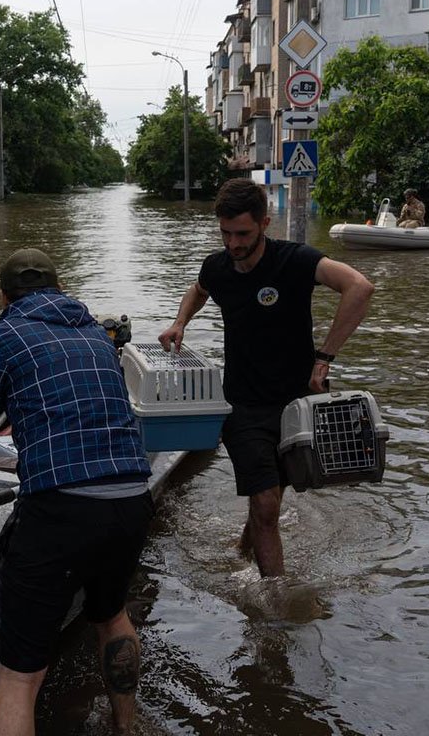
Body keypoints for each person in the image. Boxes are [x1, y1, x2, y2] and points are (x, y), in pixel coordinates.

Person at [0, 248, 154, 736]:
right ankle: (127, 726)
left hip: (62, 510)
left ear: (3, 296)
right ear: (59, 290)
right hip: (130, 498)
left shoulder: (1, 337)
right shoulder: (97, 337)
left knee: (20, 675)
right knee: (111, 615)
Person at [157, 178, 374, 578]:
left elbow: (359, 287)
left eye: (242, 233)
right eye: (225, 233)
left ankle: (243, 548)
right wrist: (179, 322)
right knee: (267, 505)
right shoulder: (218, 266)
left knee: (271, 496)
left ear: (265, 223)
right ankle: (275, 609)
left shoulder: (294, 260)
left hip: (297, 404)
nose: (233, 244)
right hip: (243, 403)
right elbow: (199, 288)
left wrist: (325, 357)